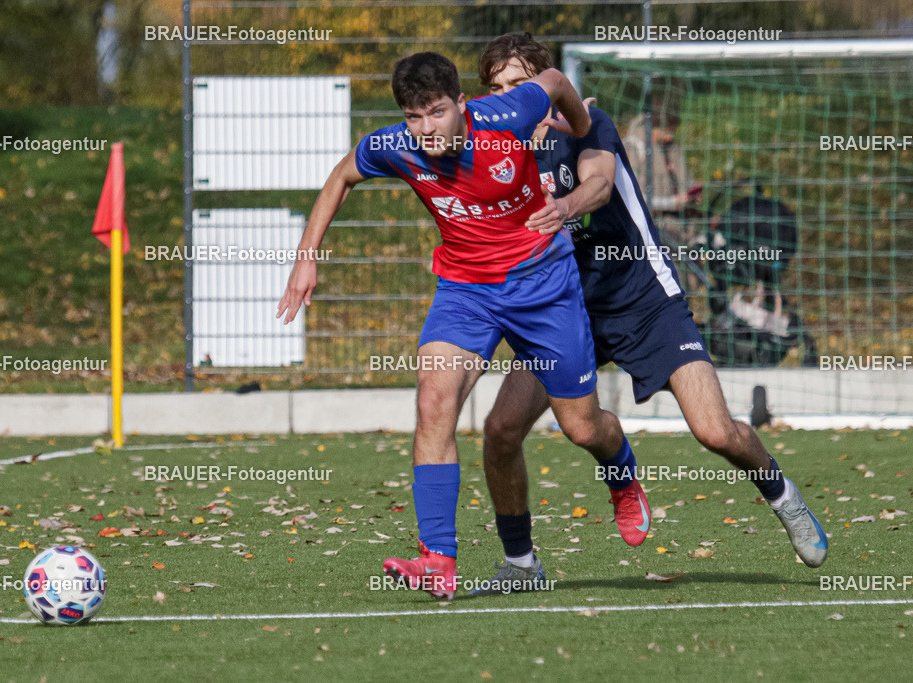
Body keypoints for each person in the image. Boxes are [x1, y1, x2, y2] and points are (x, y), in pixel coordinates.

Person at [277, 52, 651, 600]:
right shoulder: (396, 147)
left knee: (583, 428)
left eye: (436, 112)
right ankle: (438, 558)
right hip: (466, 291)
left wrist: (584, 126)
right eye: (413, 117)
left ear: (461, 104)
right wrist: (307, 256)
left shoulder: (508, 115)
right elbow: (342, 175)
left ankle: (620, 470)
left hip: (544, 286)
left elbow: (556, 81)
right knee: (434, 399)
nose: (426, 129)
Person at [470, 33, 827, 595]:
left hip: (644, 299)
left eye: (519, 84)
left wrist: (561, 207)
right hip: (566, 308)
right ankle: (523, 562)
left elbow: (600, 182)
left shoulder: (588, 122)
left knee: (716, 432)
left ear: (546, 86)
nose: (508, 98)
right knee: (501, 429)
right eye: (496, 89)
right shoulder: (497, 150)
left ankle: (783, 495)